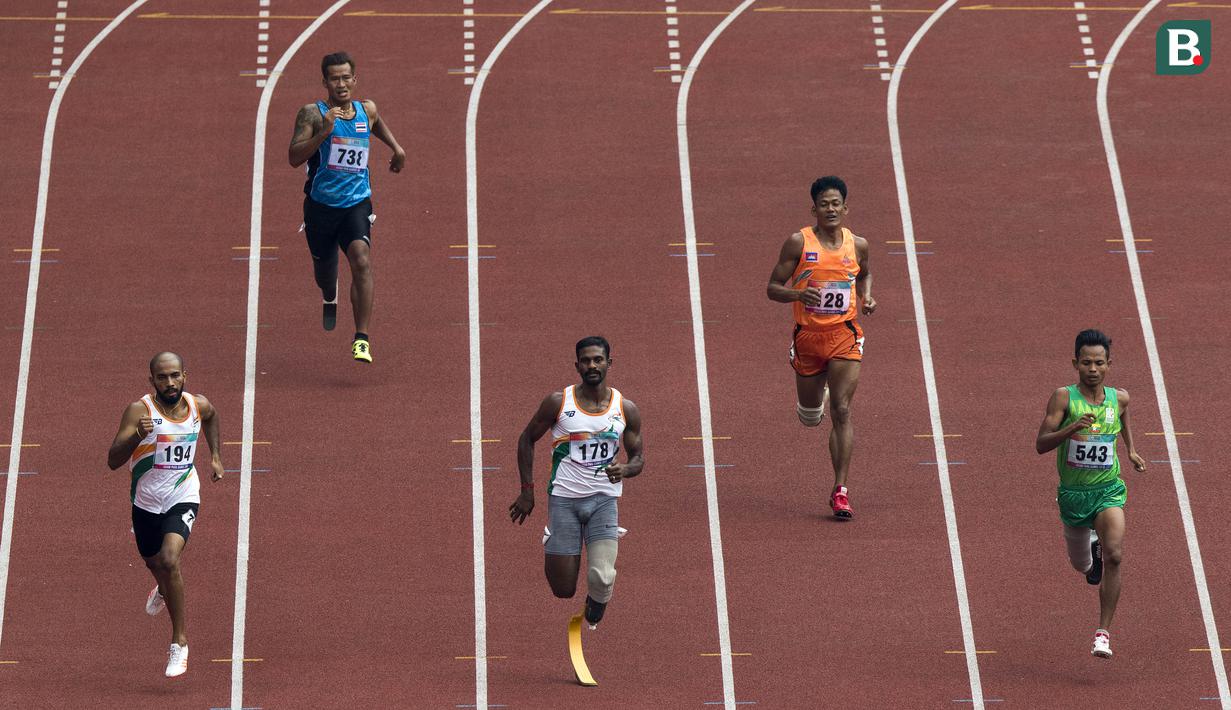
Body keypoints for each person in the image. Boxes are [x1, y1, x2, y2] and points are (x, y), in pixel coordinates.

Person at [509, 336, 644, 630]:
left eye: (598, 359)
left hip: (603, 501)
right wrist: (527, 492)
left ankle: (596, 605)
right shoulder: (559, 403)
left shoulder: (625, 409)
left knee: (602, 576)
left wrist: (626, 470)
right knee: (563, 589)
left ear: (609, 363)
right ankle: (552, 538)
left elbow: (638, 459)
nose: (592, 365)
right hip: (564, 502)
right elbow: (526, 440)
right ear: (577, 366)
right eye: (586, 360)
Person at [106, 352, 224, 677]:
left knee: (170, 559)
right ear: (152, 380)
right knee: (154, 562)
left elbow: (212, 418)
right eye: (162, 377)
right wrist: (136, 437)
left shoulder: (198, 405)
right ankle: (162, 589)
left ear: (185, 375)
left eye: (174, 375)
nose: (169, 382)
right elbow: (113, 460)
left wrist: (215, 456)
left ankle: (179, 642)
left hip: (183, 494)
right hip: (145, 502)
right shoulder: (139, 412)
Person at [766, 175, 876, 518]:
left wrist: (866, 296)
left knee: (842, 410)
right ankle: (814, 396)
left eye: (836, 203)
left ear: (846, 207)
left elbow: (864, 274)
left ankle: (840, 490)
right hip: (808, 337)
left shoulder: (858, 244)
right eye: (824, 204)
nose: (830, 209)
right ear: (814, 208)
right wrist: (799, 294)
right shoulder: (798, 242)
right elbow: (772, 288)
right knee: (811, 416)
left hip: (844, 333)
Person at [288, 51, 406, 364]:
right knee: (325, 273)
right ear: (325, 82)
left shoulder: (366, 109)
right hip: (320, 208)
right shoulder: (312, 114)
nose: (341, 83)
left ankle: (361, 338)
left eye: (346, 77)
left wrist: (396, 147)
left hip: (356, 203)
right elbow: (294, 157)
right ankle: (330, 294)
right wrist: (324, 132)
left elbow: (375, 123)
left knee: (361, 259)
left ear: (354, 79)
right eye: (334, 78)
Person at [1035, 329, 1146, 659]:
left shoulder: (1119, 397)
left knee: (1115, 555)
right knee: (1082, 565)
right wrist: (1072, 428)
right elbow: (1041, 444)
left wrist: (1131, 450)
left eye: (1099, 363)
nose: (1093, 369)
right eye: (1086, 363)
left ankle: (1103, 633)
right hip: (1073, 495)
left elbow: (1124, 415)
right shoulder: (1064, 398)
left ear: (1109, 364)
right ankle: (1089, 557)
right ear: (1075, 363)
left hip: (1108, 490)